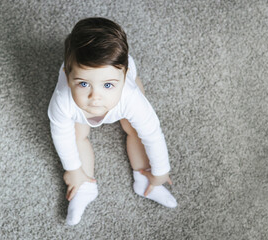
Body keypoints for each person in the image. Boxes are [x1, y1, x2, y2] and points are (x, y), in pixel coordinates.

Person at [48, 17, 177, 226]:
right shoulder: (63, 100)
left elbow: (152, 133)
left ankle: (144, 178)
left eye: (107, 85)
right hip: (80, 108)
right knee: (77, 135)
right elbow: (60, 133)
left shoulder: (130, 96)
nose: (95, 97)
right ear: (67, 75)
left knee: (134, 130)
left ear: (123, 77)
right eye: (83, 84)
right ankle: (84, 186)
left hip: (123, 101)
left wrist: (161, 170)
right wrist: (72, 169)